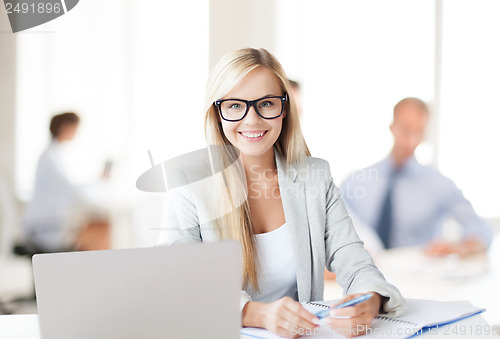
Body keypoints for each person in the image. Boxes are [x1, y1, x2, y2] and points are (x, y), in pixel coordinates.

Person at [157, 48, 405, 338]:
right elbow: (176, 279)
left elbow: (352, 258)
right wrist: (256, 314)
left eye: (266, 103)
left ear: (284, 108)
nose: (252, 120)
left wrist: (369, 299)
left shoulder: (316, 176)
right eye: (236, 106)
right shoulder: (188, 183)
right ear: (217, 112)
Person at [341, 97, 492, 257]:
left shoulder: (439, 184)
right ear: (392, 127)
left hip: (418, 277)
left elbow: (480, 227)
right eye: (406, 129)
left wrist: (463, 248)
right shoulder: (355, 181)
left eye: (419, 132)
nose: (411, 140)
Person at [23, 112, 110, 253]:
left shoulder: (54, 155)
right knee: (100, 228)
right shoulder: (49, 158)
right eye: (75, 128)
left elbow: (69, 189)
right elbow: (71, 190)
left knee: (98, 227)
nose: (76, 133)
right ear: (65, 127)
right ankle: (94, 272)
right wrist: (99, 182)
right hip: (45, 226)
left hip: (52, 222)